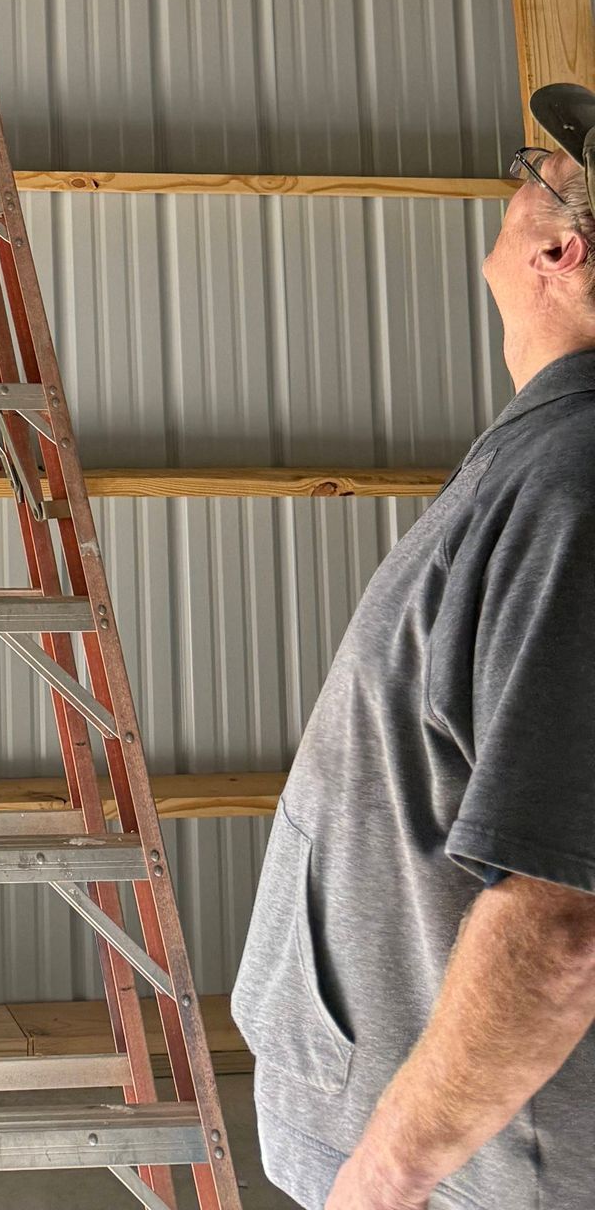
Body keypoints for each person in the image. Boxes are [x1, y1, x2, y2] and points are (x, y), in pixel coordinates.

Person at [232, 88, 595, 1210]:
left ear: (560, 248)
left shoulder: (573, 487)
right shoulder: (547, 454)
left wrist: (383, 1180)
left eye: (536, 169)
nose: (518, 182)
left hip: (489, 1175)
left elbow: (561, 920)